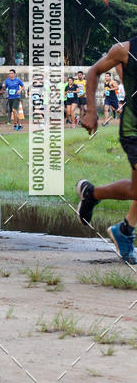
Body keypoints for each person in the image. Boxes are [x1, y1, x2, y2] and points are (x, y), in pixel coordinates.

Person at [77, 38, 137, 263]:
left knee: (135, 189)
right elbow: (94, 71)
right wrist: (91, 112)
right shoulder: (125, 50)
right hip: (134, 128)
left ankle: (93, 195)